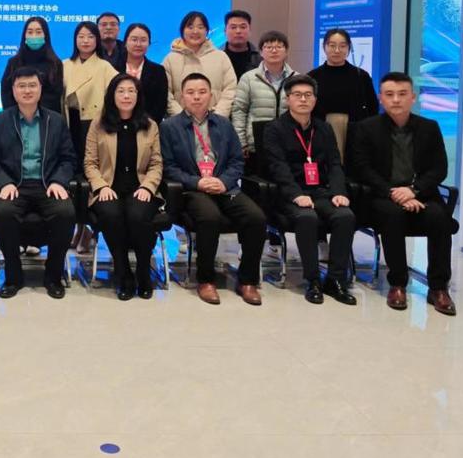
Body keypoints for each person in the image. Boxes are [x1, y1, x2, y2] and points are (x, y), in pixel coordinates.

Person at [350, 72, 456, 315]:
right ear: (380, 98)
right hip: (382, 196)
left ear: (413, 97)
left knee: (439, 217)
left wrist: (413, 191)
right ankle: (397, 284)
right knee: (393, 215)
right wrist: (394, 193)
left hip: (421, 194)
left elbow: (439, 168)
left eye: (402, 94)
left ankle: (438, 288)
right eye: (389, 94)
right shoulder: (366, 128)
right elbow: (362, 169)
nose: (396, 100)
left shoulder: (429, 128)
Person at [160, 72, 266, 306]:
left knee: (256, 217)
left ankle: (247, 280)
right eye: (190, 92)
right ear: (182, 96)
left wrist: (224, 181)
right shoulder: (169, 127)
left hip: (224, 187)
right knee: (210, 217)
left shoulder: (223, 124)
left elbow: (237, 161)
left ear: (211, 95)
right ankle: (206, 280)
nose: (196, 97)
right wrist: (196, 182)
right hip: (193, 190)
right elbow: (168, 167)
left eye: (202, 92)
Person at [261, 75, 357, 305]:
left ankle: (335, 280)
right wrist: (296, 195)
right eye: (297, 95)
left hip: (320, 191)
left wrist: (338, 192)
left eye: (308, 95)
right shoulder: (274, 129)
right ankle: (312, 280)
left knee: (345, 216)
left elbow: (334, 164)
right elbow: (278, 167)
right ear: (288, 99)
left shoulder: (323, 128)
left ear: (315, 100)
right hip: (289, 194)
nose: (303, 99)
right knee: (307, 218)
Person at [0, 67, 78, 299]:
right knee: (3, 212)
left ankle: (53, 276)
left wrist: (58, 181)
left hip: (47, 185)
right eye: (22, 86)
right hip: (14, 185)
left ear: (40, 89)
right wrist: (4, 182)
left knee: (65, 212)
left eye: (32, 85)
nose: (27, 90)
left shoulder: (56, 121)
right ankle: (13, 276)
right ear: (13, 91)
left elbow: (68, 159)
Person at [84, 74, 164, 300]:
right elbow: (90, 163)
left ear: (138, 96)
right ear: (112, 95)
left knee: (138, 215)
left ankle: (143, 270)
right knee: (111, 214)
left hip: (140, 187)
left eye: (131, 91)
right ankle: (123, 272)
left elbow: (156, 164)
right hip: (109, 187)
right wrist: (100, 187)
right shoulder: (99, 124)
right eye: (121, 91)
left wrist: (148, 187)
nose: (126, 96)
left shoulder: (150, 125)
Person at [230, 30, 296, 174]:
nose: (274, 51)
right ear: (260, 52)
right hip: (256, 145)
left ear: (286, 51)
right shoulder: (248, 78)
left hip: (288, 145)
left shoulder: (296, 79)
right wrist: (241, 142)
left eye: (279, 47)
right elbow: (239, 111)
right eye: (268, 47)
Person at [162, 10, 238, 119]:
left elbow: (230, 89)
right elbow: (166, 93)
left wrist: (217, 117)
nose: (195, 31)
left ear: (207, 31)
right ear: (182, 30)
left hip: (216, 122)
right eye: (190, 27)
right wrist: (181, 118)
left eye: (200, 27)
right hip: (180, 124)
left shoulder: (221, 57)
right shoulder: (170, 59)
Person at [63, 20, 118, 164]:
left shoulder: (105, 66)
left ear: (97, 40)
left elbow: (115, 93)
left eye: (90, 36)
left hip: (93, 119)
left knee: (91, 158)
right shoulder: (65, 65)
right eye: (81, 36)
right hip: (70, 118)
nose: (85, 41)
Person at [308, 28, 379, 126]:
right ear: (324, 47)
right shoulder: (312, 77)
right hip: (320, 132)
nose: (337, 50)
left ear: (349, 48)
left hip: (356, 132)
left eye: (342, 46)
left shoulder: (361, 76)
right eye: (332, 45)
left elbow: (373, 107)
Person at [0, 16, 65, 115]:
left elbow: (55, 97)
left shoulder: (55, 64)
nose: (34, 36)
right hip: (16, 118)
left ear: (45, 35)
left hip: (46, 119)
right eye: (30, 32)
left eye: (38, 32)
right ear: (24, 36)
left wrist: (35, 114)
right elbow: (6, 93)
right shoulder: (13, 63)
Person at [121, 23, 169, 125]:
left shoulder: (158, 71)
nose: (138, 44)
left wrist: (146, 126)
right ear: (125, 42)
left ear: (149, 44)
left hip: (148, 127)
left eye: (143, 40)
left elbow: (160, 105)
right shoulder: (113, 68)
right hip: (116, 127)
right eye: (134, 39)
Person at [221, 9, 262, 79]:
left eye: (243, 27)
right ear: (225, 31)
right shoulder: (217, 57)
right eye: (233, 27)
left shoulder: (261, 59)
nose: (238, 31)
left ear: (250, 30)